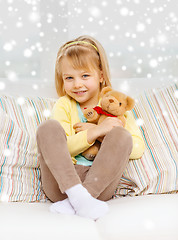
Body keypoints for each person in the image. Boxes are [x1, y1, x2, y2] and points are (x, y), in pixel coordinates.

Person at [36, 35, 145, 220]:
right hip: (61, 183)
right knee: (48, 128)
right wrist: (95, 131)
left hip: (99, 185)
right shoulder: (64, 104)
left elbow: (136, 149)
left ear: (101, 75)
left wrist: (105, 134)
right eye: (69, 77)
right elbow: (64, 147)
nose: (77, 84)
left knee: (122, 134)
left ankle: (81, 200)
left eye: (85, 75)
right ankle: (78, 197)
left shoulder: (118, 107)